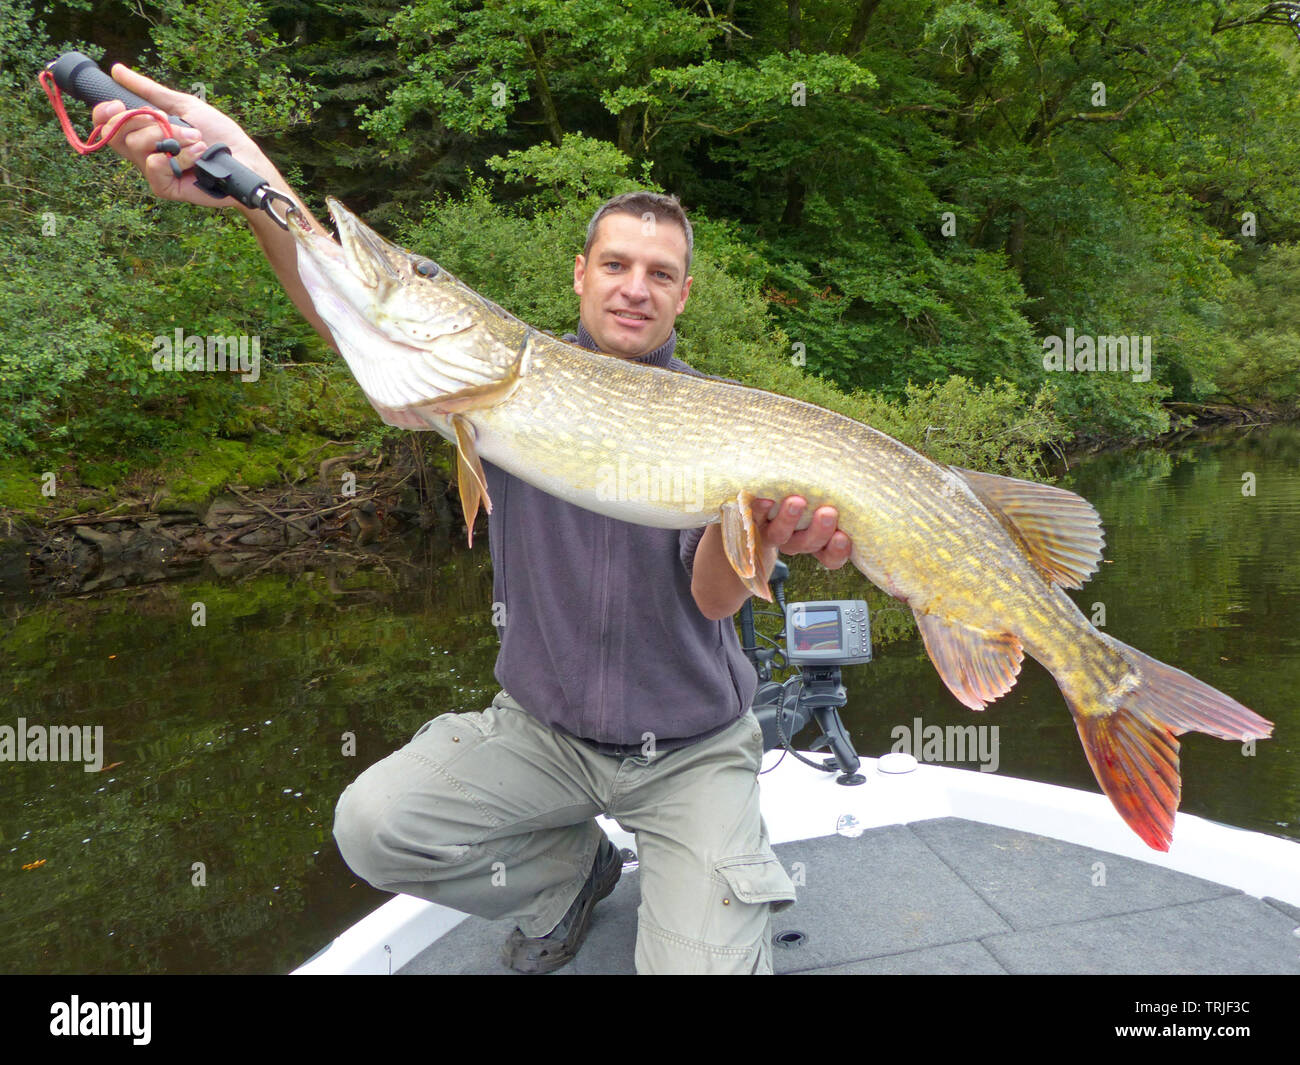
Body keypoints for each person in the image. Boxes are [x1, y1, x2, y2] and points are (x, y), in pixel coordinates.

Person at [94, 66, 854, 973]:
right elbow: (346, 305)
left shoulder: (715, 415)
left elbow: (712, 595)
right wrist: (240, 169)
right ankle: (570, 875)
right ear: (580, 274)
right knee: (375, 827)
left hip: (691, 749)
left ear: (684, 295)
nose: (634, 287)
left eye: (660, 273)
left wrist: (762, 535)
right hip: (544, 734)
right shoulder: (489, 391)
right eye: (615, 264)